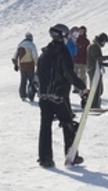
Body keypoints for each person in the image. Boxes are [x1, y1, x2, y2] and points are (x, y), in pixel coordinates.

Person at [36, 23, 87, 168]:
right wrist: (82, 88)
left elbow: (38, 74)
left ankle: (45, 158)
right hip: (59, 95)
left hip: (45, 96)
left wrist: (41, 90)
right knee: (68, 123)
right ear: (61, 36)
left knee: (45, 126)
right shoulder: (63, 52)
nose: (68, 38)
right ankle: (72, 155)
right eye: (66, 35)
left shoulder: (45, 53)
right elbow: (69, 73)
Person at [84, 32, 108, 110]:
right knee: (96, 88)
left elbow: (96, 59)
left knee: (99, 88)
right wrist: (106, 57)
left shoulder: (95, 46)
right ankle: (94, 105)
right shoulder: (94, 46)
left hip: (95, 68)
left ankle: (95, 104)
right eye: (104, 42)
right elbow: (96, 57)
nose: (104, 44)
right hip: (93, 70)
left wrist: (103, 64)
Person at [14, 32, 40, 102]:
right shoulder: (32, 45)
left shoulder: (20, 45)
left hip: (22, 66)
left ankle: (23, 95)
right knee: (31, 81)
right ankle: (30, 95)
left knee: (23, 81)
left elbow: (14, 56)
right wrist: (37, 65)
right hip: (30, 65)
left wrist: (16, 65)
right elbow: (35, 56)